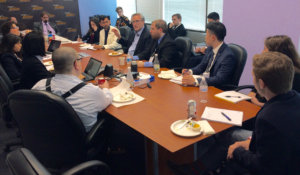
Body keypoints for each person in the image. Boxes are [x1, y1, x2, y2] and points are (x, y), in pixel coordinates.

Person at [170, 52, 300, 175]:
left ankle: (196, 169)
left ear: (261, 83)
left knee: (229, 137)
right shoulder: (295, 98)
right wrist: (250, 141)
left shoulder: (267, 118)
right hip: (289, 155)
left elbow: (263, 166)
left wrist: (237, 151)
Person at [32, 47, 113, 132]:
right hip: (78, 141)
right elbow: (107, 99)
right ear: (76, 64)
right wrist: (105, 89)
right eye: (79, 59)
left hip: (45, 137)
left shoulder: (39, 86)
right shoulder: (91, 91)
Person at [249, 35, 300, 106]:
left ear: (275, 53)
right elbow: (261, 81)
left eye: (265, 49)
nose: (262, 52)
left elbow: (286, 106)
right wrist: (253, 93)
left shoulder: (293, 75)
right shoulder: (271, 68)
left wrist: (258, 103)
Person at [182, 22, 236, 89]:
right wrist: (190, 71)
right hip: (205, 86)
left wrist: (196, 81)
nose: (205, 37)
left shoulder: (228, 56)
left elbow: (219, 79)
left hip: (216, 89)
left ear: (213, 37)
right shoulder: (210, 49)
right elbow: (201, 67)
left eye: (206, 35)